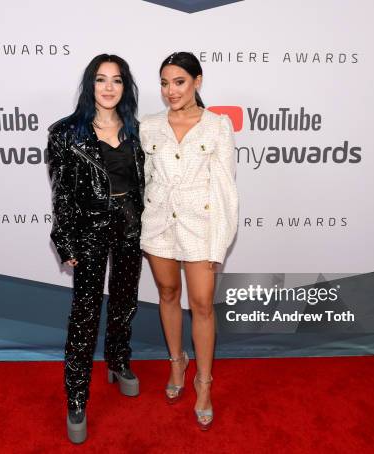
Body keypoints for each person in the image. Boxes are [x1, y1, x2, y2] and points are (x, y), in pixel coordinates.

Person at [47, 54, 145, 444]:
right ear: (90, 85)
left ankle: (119, 360)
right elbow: (62, 194)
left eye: (117, 80)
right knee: (85, 314)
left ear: (125, 87)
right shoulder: (65, 133)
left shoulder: (139, 130)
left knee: (124, 301)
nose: (108, 87)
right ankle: (76, 396)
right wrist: (65, 240)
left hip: (132, 229)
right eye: (101, 79)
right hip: (89, 229)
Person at [139, 52, 238, 431]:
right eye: (164, 83)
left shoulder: (217, 126)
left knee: (201, 305)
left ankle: (204, 383)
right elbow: (145, 179)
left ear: (197, 80)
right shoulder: (149, 126)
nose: (170, 91)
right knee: (167, 295)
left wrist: (218, 245)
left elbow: (227, 189)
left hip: (202, 227)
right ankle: (177, 363)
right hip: (159, 226)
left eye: (178, 81)